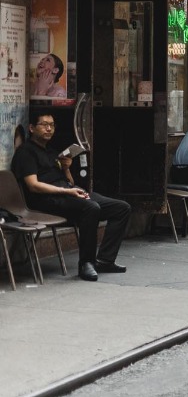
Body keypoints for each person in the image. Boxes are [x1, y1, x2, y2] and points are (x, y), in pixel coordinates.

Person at [11, 113, 131, 281]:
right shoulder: (26, 152)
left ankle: (105, 260)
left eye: (52, 125)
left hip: (68, 193)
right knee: (91, 208)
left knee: (121, 208)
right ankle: (86, 264)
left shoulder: (53, 152)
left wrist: (66, 168)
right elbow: (33, 185)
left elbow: (69, 182)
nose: (49, 128)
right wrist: (68, 192)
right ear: (31, 128)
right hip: (44, 200)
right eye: (44, 124)